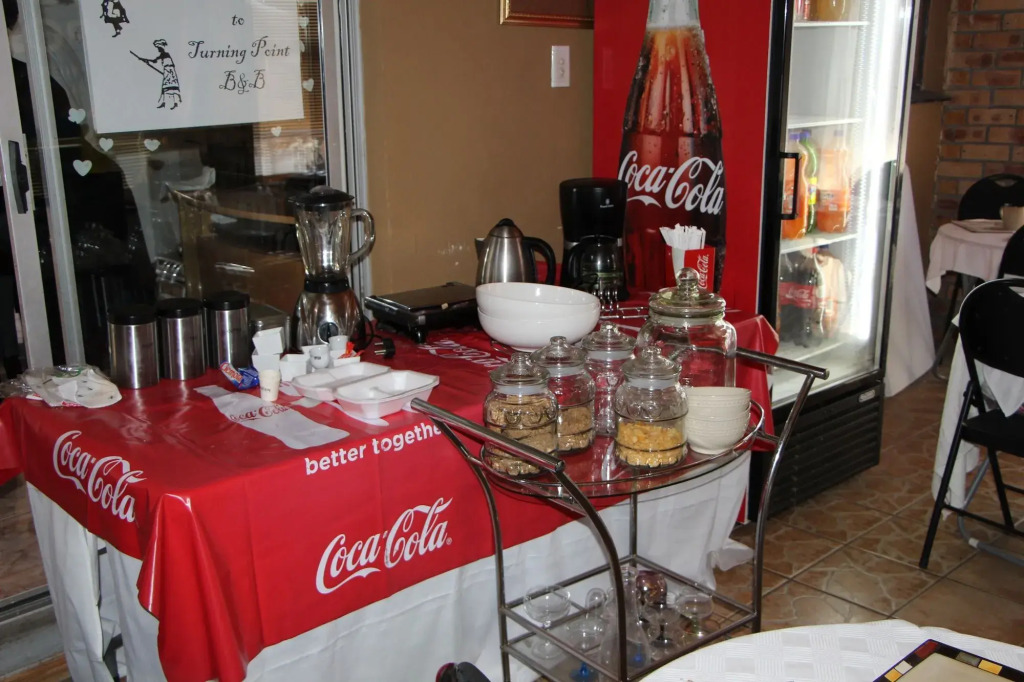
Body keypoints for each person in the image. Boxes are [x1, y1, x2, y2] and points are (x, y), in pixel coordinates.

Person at [135, 39, 181, 109]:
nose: (158, 50)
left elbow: (154, 61)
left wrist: (144, 59)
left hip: (170, 71)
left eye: (158, 48)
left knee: (171, 86)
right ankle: (164, 102)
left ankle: (175, 103)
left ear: (161, 48)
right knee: (166, 87)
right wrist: (144, 59)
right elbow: (155, 61)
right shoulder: (162, 55)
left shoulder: (165, 54)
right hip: (167, 71)